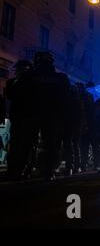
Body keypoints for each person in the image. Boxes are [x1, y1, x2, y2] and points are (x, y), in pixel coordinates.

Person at [28, 52, 71, 181]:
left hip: (32, 115)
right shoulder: (61, 78)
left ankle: (26, 169)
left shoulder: (30, 76)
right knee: (51, 144)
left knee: (28, 142)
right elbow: (66, 99)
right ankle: (48, 171)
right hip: (53, 117)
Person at [4, 60, 34, 180]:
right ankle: (15, 168)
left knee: (23, 144)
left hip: (26, 117)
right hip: (19, 117)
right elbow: (10, 96)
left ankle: (20, 169)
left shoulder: (29, 81)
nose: (16, 72)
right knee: (18, 144)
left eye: (18, 69)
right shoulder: (14, 82)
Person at [61, 84, 85, 176]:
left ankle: (70, 166)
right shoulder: (78, 101)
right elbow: (81, 115)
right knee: (75, 146)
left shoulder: (66, 100)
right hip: (75, 127)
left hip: (69, 126)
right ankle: (76, 166)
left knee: (69, 146)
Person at [79, 82, 100, 171]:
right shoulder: (94, 96)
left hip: (86, 124)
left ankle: (84, 165)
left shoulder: (82, 96)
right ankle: (96, 164)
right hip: (92, 124)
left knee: (85, 147)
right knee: (95, 146)